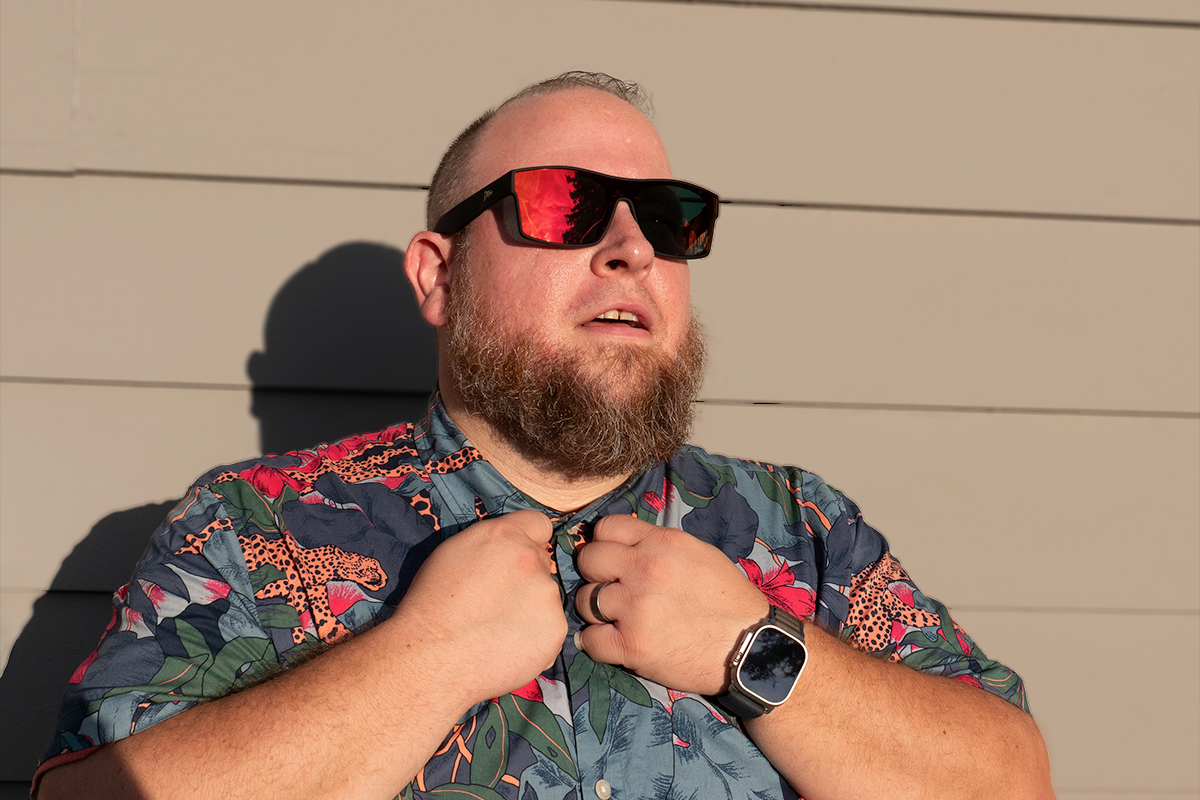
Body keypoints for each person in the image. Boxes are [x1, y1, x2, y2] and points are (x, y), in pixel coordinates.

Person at [35, 72, 1054, 800]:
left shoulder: (800, 527)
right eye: (564, 206)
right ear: (439, 276)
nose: (630, 249)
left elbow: (1013, 779)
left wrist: (753, 650)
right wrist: (424, 658)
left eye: (668, 217)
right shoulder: (258, 527)